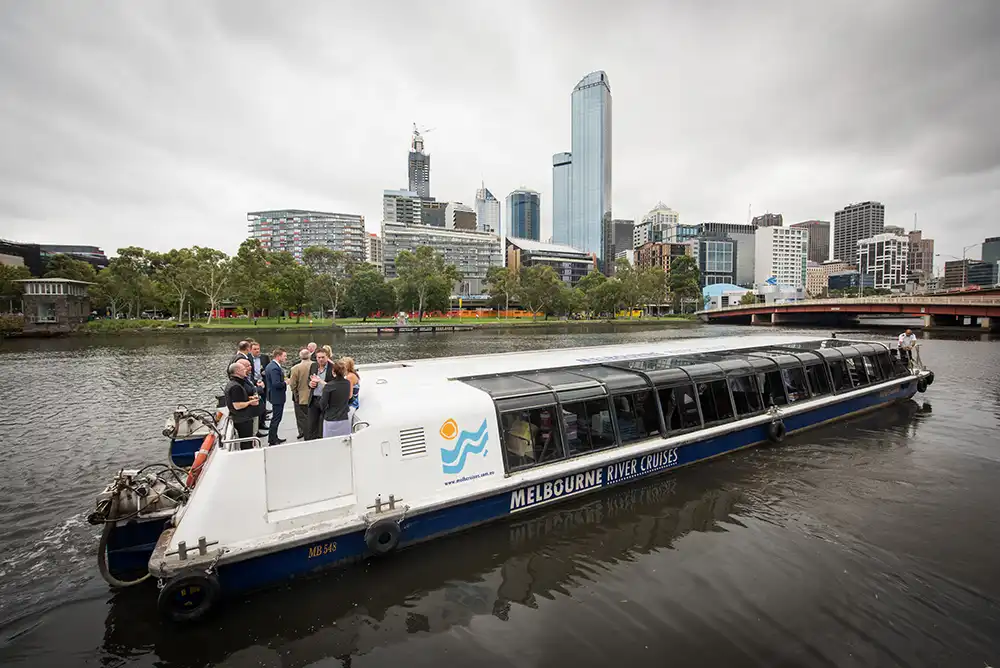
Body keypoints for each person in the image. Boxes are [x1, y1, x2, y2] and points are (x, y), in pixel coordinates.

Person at [306, 350, 336, 440]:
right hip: (314, 399)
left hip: (326, 400)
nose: (321, 359)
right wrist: (310, 383)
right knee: (311, 424)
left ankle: (323, 441)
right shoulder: (313, 366)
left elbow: (334, 385)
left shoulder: (333, 368)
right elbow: (308, 379)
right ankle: (311, 442)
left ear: (327, 357)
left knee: (323, 425)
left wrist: (322, 383)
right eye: (319, 357)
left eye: (323, 357)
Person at [225, 361, 258, 440]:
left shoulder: (233, 383)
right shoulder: (236, 387)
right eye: (243, 369)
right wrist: (250, 402)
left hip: (241, 418)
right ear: (237, 372)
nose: (245, 370)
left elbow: (238, 399)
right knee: (247, 442)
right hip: (242, 419)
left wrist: (249, 398)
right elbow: (237, 405)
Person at [320, 359, 354, 437]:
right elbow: (349, 398)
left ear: (333, 372)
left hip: (331, 418)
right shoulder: (347, 383)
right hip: (344, 418)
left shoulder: (329, 386)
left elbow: (323, 404)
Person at [288, 348, 314, 439]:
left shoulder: (295, 368)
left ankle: (305, 434)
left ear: (300, 356)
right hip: (315, 396)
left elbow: (292, 384)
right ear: (310, 355)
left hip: (301, 397)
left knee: (302, 418)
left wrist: (296, 394)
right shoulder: (316, 366)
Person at [265, 348, 288, 445]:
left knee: (276, 418)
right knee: (276, 418)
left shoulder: (270, 366)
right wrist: (286, 382)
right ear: (278, 356)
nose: (286, 358)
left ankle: (274, 437)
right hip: (277, 397)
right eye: (284, 356)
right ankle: (272, 439)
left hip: (274, 395)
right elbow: (276, 384)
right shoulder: (274, 368)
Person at [249, 340, 271, 425]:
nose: (257, 351)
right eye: (255, 349)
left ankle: (263, 421)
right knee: (256, 403)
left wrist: (266, 372)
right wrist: (254, 382)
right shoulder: (248, 358)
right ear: (250, 350)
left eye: (258, 349)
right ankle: (258, 423)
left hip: (263, 382)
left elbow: (268, 368)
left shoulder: (264, 357)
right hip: (253, 383)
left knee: (264, 401)